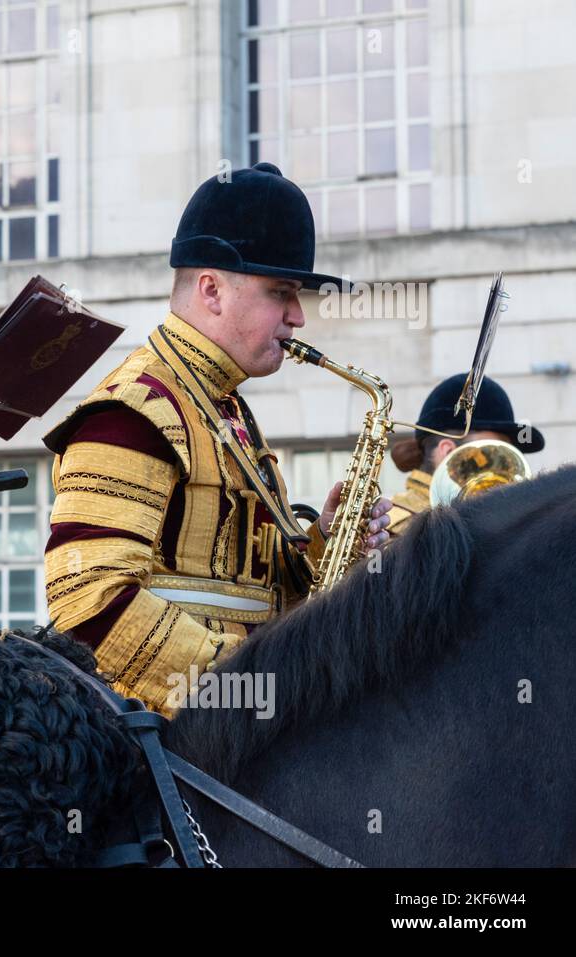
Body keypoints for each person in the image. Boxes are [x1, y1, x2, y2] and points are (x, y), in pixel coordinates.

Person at [44, 162, 392, 717]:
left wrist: (324, 544)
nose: (298, 316)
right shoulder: (133, 410)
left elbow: (242, 584)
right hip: (167, 751)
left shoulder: (222, 405)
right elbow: (90, 603)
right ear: (211, 290)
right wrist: (259, 686)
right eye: (282, 292)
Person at [387, 374, 544, 535]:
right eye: (490, 455)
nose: (502, 471)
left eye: (505, 456)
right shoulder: (391, 531)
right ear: (448, 452)